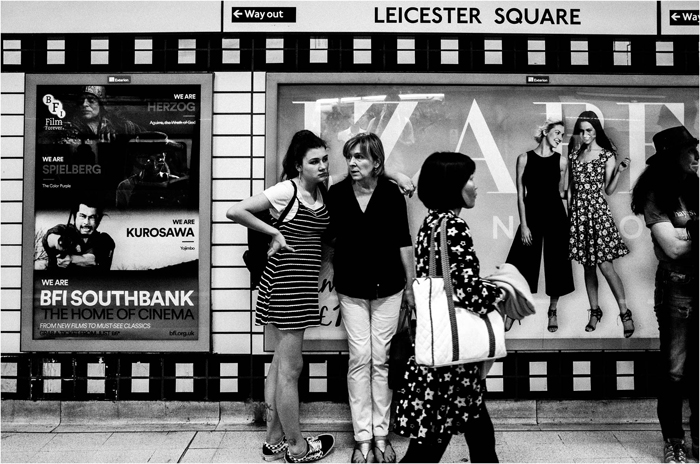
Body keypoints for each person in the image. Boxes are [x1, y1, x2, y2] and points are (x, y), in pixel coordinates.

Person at [226, 130, 335, 463]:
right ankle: (298, 447)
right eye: (314, 161)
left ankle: (273, 441)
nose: (322, 166)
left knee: (279, 365)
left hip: (301, 285)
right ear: (298, 165)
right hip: (285, 283)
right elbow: (236, 211)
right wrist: (273, 231)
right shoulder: (286, 190)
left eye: (325, 159)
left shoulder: (322, 190)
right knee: (291, 369)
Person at [393, 152, 503, 463]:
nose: (475, 186)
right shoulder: (454, 226)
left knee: (471, 431)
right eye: (469, 179)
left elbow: (446, 281)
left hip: (439, 343)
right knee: (436, 441)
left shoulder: (431, 223)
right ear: (451, 185)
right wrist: (502, 291)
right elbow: (467, 290)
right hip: (453, 356)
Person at [326, 133, 415, 463]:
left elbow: (404, 241)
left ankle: (381, 435)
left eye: (360, 157)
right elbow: (328, 233)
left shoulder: (391, 193)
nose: (352, 162)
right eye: (349, 157)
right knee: (360, 356)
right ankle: (362, 437)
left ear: (376, 162)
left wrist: (411, 287)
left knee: (382, 359)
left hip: (389, 287)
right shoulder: (337, 194)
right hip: (351, 288)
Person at [631, 125, 698, 463]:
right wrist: (691, 235)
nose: (696, 157)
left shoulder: (696, 186)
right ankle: (674, 441)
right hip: (678, 285)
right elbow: (672, 248)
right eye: (690, 152)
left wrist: (689, 234)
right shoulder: (655, 194)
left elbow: (681, 240)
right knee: (675, 369)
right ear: (673, 157)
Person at [567, 111, 634, 337]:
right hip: (579, 215)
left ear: (596, 131)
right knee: (588, 266)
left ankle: (625, 313)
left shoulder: (606, 155)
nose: (585, 134)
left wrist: (619, 172)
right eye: (581, 131)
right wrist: (571, 213)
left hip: (597, 213)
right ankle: (595, 311)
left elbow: (609, 190)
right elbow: (571, 188)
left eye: (589, 130)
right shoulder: (575, 154)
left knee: (606, 267)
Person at [505, 119, 574, 332]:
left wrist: (578, 197)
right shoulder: (524, 158)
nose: (560, 138)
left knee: (557, 264)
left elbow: (562, 193)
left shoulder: (562, 162)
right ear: (545, 132)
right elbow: (520, 194)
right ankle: (513, 310)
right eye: (557, 133)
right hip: (532, 215)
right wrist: (524, 225)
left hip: (556, 215)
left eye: (562, 135)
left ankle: (552, 311)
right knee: (521, 264)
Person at [116, 132, 189, 210]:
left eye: (159, 159)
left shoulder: (176, 184)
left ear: (165, 156)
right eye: (149, 160)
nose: (154, 166)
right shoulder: (125, 187)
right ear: (139, 159)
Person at [42, 198, 115, 271]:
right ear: (75, 217)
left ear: (99, 220)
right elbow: (50, 237)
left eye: (92, 217)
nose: (86, 222)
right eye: (82, 216)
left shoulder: (104, 239)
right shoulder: (64, 230)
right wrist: (58, 242)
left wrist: (72, 259)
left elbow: (94, 259)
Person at [62, 85, 141, 144]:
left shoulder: (119, 124)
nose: (84, 104)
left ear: (100, 103)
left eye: (91, 100)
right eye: (81, 100)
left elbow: (139, 135)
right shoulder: (69, 127)